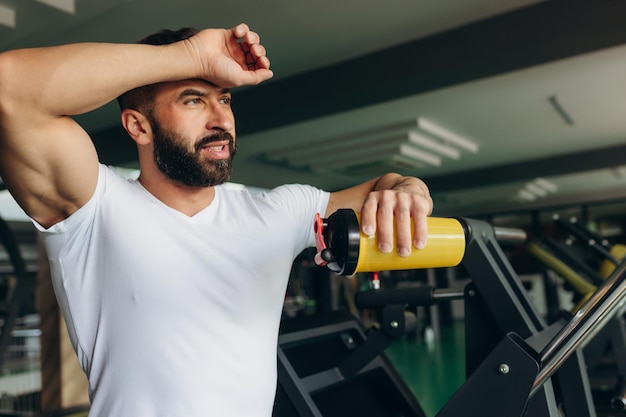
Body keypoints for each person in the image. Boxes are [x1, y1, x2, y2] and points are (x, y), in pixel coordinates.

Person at [0, 23, 433, 416]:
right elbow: (9, 86)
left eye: (224, 99)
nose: (221, 119)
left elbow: (387, 186)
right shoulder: (95, 208)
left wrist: (410, 190)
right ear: (138, 126)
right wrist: (189, 54)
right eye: (193, 100)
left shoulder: (278, 213)